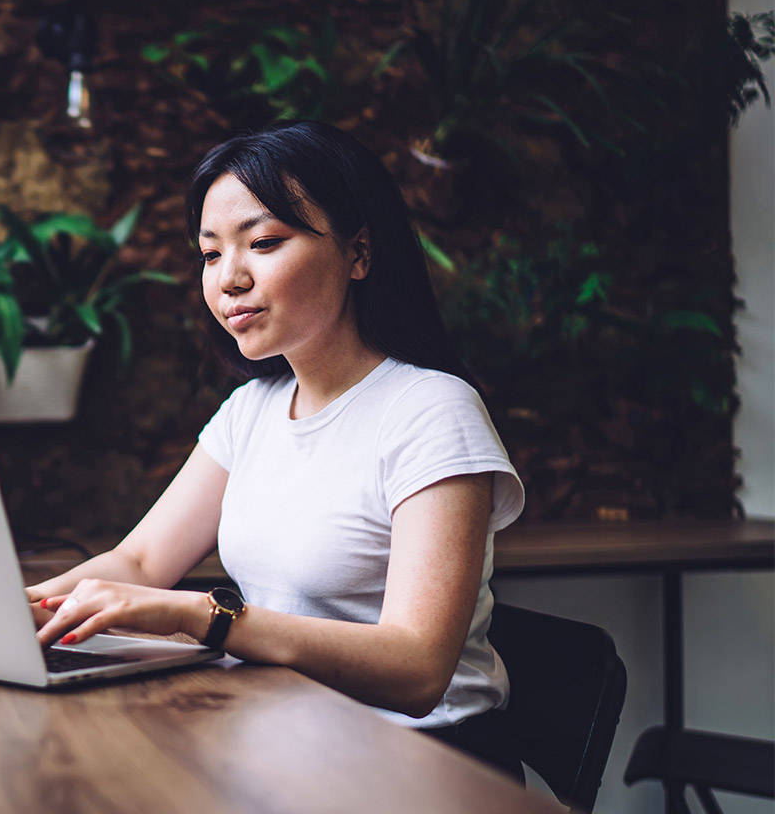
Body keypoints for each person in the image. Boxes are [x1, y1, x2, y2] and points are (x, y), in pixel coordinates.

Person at [26, 121, 525, 776]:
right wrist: (24, 611)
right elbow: (142, 561)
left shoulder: (431, 410)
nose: (229, 279)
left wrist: (205, 617)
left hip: (421, 766)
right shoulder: (252, 410)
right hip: (288, 741)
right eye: (209, 255)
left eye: (261, 242)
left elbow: (417, 668)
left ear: (359, 253)